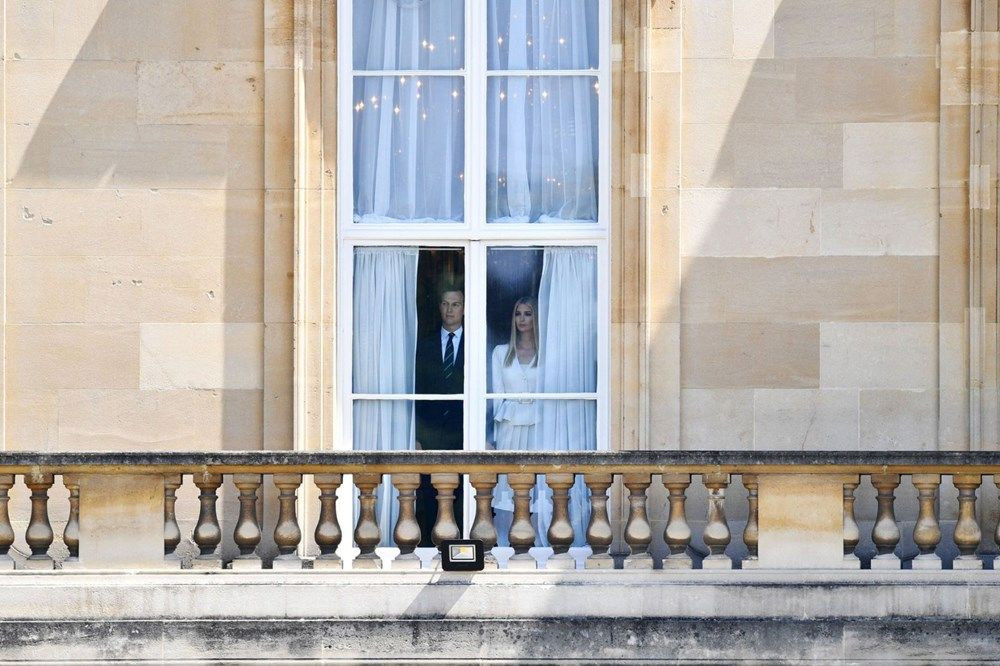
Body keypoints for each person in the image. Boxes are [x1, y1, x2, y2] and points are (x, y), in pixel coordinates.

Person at [414, 286, 465, 547]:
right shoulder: (424, 345)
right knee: (428, 492)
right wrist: (418, 436)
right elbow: (417, 391)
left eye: (455, 304)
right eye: (445, 304)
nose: (449, 310)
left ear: (464, 309)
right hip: (431, 433)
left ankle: (459, 543)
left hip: (464, 433)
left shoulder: (476, 344)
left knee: (463, 493)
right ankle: (431, 545)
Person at [490, 297, 539, 541]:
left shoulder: (546, 352)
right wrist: (491, 437)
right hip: (509, 426)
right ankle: (505, 541)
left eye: (528, 313)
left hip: (539, 426)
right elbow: (496, 397)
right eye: (518, 313)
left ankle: (539, 541)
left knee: (538, 485)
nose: (522, 319)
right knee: (508, 486)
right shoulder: (501, 352)